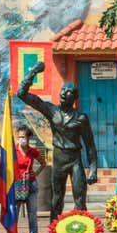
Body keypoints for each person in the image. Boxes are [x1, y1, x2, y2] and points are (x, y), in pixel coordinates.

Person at [17, 62, 98, 222]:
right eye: (63, 89)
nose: (64, 93)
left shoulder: (81, 118)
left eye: (69, 92)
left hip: (75, 161)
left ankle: (83, 232)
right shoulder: (51, 111)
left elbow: (90, 145)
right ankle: (54, 231)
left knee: (80, 198)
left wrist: (93, 169)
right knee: (56, 199)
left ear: (75, 98)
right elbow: (22, 93)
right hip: (59, 160)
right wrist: (33, 72)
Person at [13, 125, 47, 233]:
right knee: (15, 211)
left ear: (28, 138)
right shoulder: (14, 150)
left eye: (23, 137)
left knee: (32, 211)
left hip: (31, 184)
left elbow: (43, 163)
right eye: (19, 137)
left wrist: (35, 173)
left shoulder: (33, 151)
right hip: (17, 184)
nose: (21, 139)